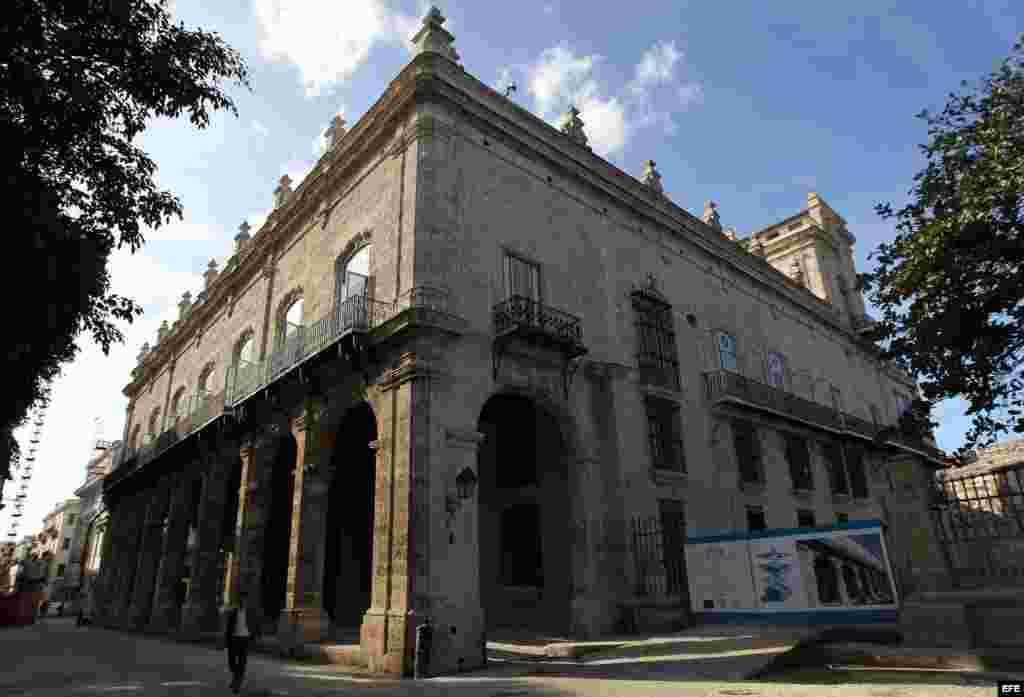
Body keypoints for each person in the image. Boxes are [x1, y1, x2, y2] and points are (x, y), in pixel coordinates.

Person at [222, 589, 258, 694]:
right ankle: (235, 677)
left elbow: (255, 625)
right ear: (239, 600)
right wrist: (226, 641)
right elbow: (228, 628)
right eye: (242, 599)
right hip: (234, 639)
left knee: (242, 662)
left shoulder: (251, 612)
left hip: (245, 639)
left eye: (245, 599)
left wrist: (254, 637)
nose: (244, 601)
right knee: (231, 662)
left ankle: (236, 683)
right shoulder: (233, 611)